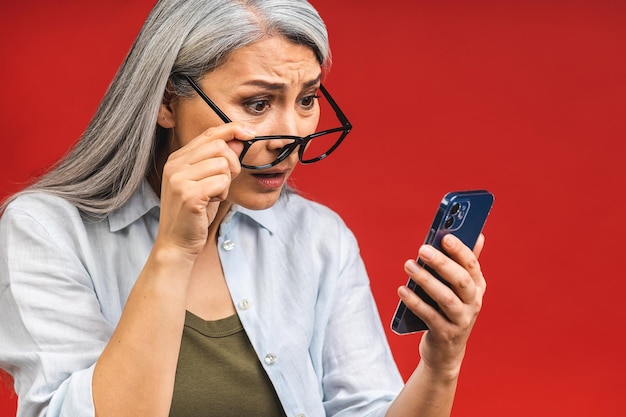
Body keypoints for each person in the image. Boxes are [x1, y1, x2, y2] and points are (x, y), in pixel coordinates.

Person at [0, 0, 487, 416]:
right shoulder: (46, 231)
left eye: (308, 99)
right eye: (257, 103)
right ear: (167, 101)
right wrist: (173, 250)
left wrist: (441, 363)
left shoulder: (319, 239)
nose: (293, 137)